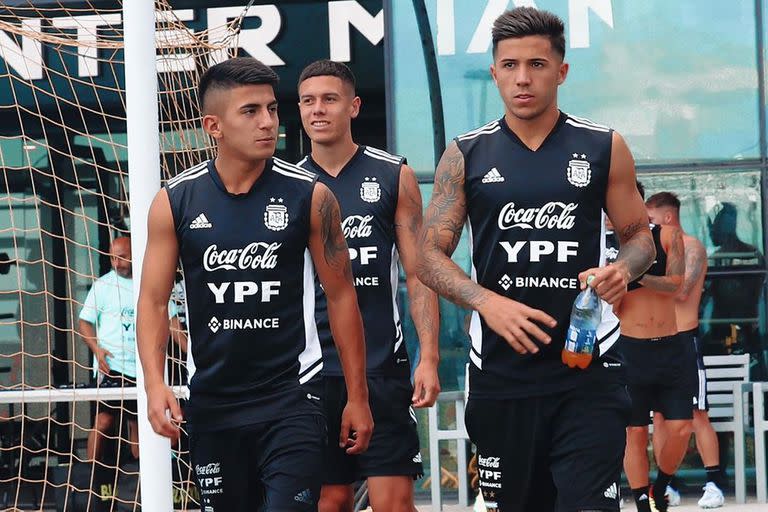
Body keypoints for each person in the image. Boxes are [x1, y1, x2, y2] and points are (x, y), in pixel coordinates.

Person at [417, 7, 655, 512]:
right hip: (501, 373)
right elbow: (427, 255)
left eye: (537, 65)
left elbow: (640, 238)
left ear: (561, 71)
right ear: (496, 71)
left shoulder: (602, 146)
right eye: (509, 66)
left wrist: (621, 270)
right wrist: (485, 302)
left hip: (587, 365)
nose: (522, 78)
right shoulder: (466, 154)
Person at [136, 57, 374, 511]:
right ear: (214, 125)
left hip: (292, 399)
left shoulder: (312, 196)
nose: (268, 122)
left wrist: (357, 398)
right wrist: (154, 383)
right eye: (251, 111)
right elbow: (151, 302)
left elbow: (343, 298)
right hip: (213, 402)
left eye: (271, 109)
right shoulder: (174, 201)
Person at [296, 60, 440, 512]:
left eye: (330, 99)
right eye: (308, 101)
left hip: (381, 368)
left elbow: (419, 274)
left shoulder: (392, 174)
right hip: (313, 371)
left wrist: (429, 357)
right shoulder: (287, 185)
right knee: (330, 501)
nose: (318, 110)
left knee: (393, 503)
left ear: (353, 106)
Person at [646, 192, 725, 508]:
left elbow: (680, 292)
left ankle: (714, 483)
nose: (647, 226)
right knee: (660, 417)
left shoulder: (691, 247)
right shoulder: (653, 250)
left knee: (696, 414)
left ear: (667, 218)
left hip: (683, 340)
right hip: (655, 342)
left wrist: (639, 278)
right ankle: (668, 485)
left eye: (651, 219)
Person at [614, 184, 689, 512]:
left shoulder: (668, 236)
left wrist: (635, 274)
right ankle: (643, 501)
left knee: (680, 427)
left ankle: (662, 485)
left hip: (671, 346)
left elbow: (675, 284)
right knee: (634, 432)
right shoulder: (607, 247)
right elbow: (607, 303)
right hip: (629, 348)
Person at [79, 236, 184, 462]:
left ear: (135, 254)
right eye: (113, 258)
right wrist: (97, 349)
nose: (117, 263)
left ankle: (141, 484)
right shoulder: (102, 286)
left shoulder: (151, 284)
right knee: (104, 420)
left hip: (143, 369)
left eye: (122, 258)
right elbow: (83, 322)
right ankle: (89, 478)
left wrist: (191, 352)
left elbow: (173, 324)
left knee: (141, 427)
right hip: (112, 367)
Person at [708, 202, 766, 377]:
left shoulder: (717, 259)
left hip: (735, 327)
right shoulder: (753, 254)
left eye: (713, 226)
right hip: (745, 326)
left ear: (722, 228)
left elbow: (704, 295)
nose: (711, 231)